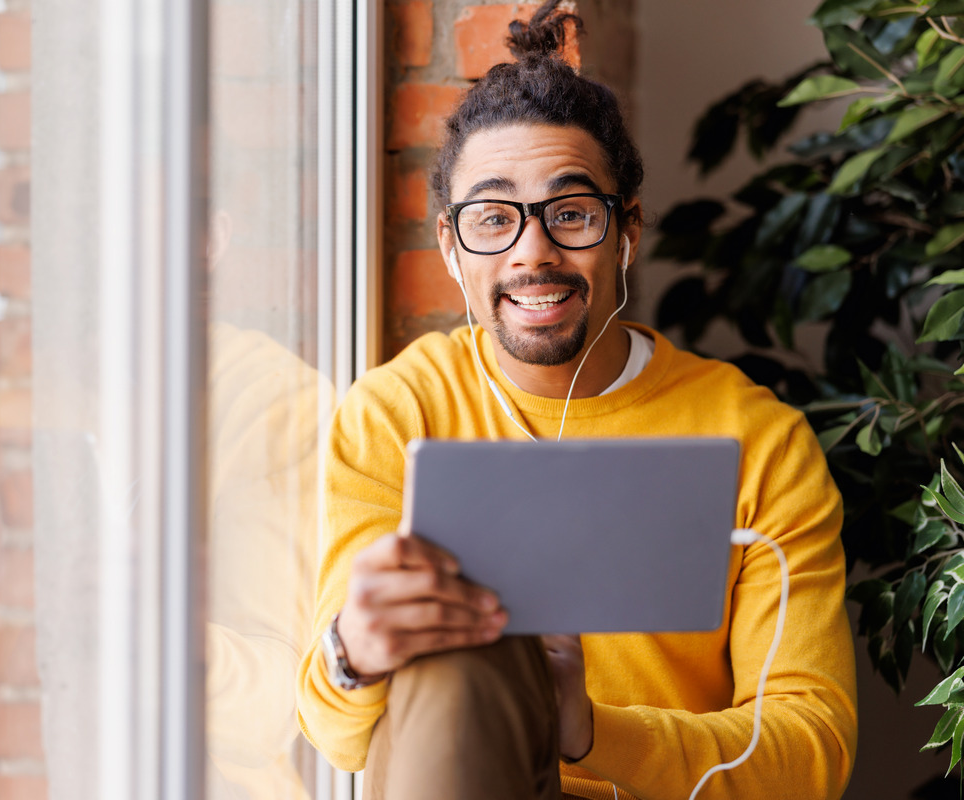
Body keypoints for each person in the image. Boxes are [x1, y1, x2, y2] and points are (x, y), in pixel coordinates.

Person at [294, 3, 858, 799]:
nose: (533, 253)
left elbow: (812, 752)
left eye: (570, 214)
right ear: (452, 249)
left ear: (626, 229)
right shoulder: (396, 413)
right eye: (493, 219)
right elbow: (336, 735)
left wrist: (585, 727)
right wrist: (355, 651)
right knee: (458, 649)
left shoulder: (756, 439)